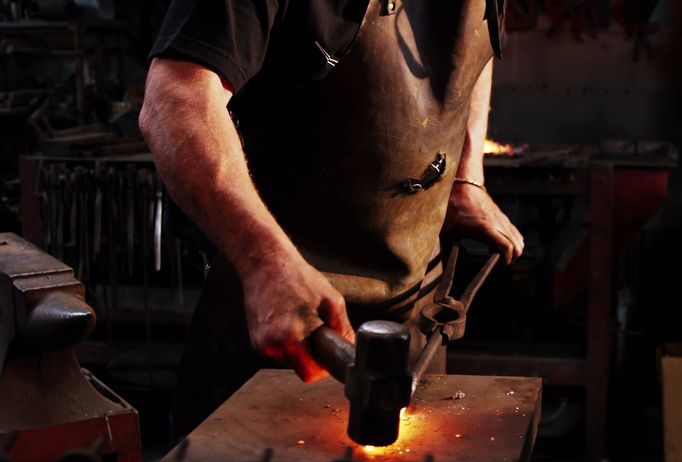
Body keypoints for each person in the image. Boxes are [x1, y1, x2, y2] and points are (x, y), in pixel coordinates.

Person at [139, 0, 524, 437]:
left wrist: (466, 177)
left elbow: (477, 44)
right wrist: (265, 263)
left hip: (416, 309)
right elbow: (178, 96)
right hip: (283, 318)